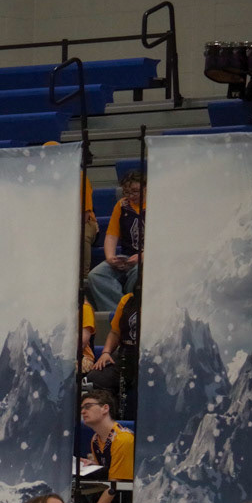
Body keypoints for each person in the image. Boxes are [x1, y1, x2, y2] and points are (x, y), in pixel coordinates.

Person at [76, 390, 132, 503]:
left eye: (88, 406)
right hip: (110, 497)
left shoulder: (122, 439)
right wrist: (92, 466)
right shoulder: (95, 440)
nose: (83, 411)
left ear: (105, 408)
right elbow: (106, 472)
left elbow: (113, 485)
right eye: (81, 408)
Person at [86, 171, 142, 313]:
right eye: (127, 192)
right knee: (96, 275)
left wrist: (142, 256)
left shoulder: (156, 204)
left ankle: (132, 310)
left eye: (135, 191)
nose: (131, 196)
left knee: (139, 272)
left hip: (148, 258)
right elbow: (111, 235)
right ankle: (120, 312)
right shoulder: (121, 205)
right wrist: (111, 257)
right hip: (127, 257)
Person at [84, 290, 139, 418]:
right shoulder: (127, 300)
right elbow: (115, 332)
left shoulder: (162, 302)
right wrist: (106, 352)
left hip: (150, 360)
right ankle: (109, 421)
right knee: (96, 378)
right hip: (125, 354)